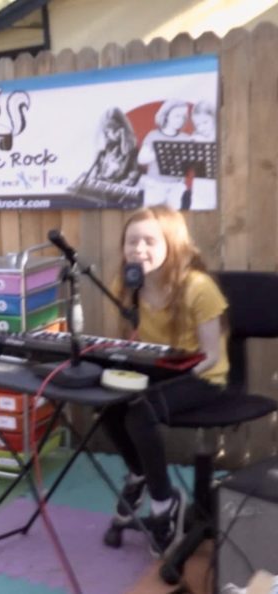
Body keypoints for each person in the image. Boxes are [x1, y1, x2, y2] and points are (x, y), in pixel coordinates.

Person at [102, 205, 228, 558]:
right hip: (158, 372)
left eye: (149, 241)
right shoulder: (128, 285)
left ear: (173, 243)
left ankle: (163, 503)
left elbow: (212, 356)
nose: (138, 249)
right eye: (132, 241)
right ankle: (139, 473)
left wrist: (169, 382)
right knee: (106, 403)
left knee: (139, 413)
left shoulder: (199, 287)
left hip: (203, 376)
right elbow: (132, 342)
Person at [137, 100, 191, 209]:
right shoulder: (153, 135)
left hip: (176, 187)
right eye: (177, 116)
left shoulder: (186, 138)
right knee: (152, 215)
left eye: (183, 117)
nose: (180, 120)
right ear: (166, 116)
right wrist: (163, 152)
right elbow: (141, 159)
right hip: (155, 185)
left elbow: (189, 165)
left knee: (172, 217)